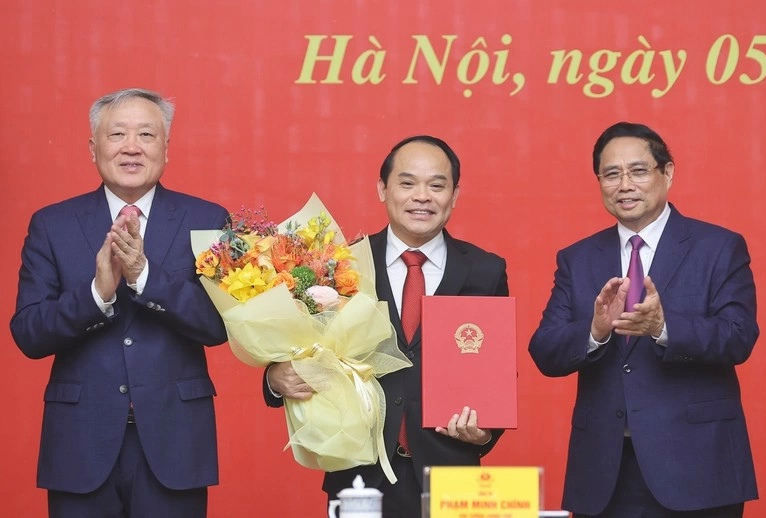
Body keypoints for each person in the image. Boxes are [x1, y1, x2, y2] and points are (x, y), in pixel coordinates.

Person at [263, 135, 509, 518]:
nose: (422, 196)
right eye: (408, 183)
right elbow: (302, 348)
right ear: (383, 189)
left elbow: (496, 371)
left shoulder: (485, 270)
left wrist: (486, 432)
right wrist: (275, 376)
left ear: (455, 194)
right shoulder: (340, 264)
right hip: (359, 473)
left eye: (437, 185)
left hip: (450, 474)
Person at [10, 88, 229, 518]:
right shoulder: (52, 224)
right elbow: (29, 333)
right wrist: (97, 294)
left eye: (146, 134)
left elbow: (218, 326)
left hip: (175, 442)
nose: (132, 147)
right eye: (117, 135)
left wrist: (145, 278)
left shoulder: (207, 220)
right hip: (80, 442)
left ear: (166, 147)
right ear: (94, 149)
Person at [528, 122, 758, 517]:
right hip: (605, 471)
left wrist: (663, 327)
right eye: (611, 174)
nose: (624, 185)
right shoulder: (577, 258)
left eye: (638, 171)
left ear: (666, 173)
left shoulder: (718, 247)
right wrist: (596, 332)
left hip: (697, 467)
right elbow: (545, 350)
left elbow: (738, 337)